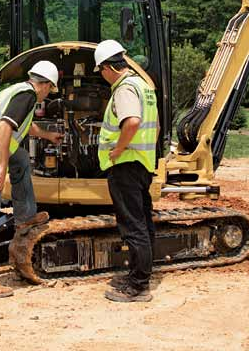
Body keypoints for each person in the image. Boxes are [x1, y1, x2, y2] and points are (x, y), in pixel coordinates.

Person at [0, 61, 62, 298]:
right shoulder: (27, 96)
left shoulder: (19, 91)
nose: (48, 94)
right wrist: (2, 166)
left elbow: (25, 126)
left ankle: (25, 216)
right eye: (50, 89)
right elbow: (5, 127)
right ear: (45, 85)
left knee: (21, 157)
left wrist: (47, 135)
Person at [94, 39, 158, 303]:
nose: (102, 76)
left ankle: (138, 286)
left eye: (101, 71)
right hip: (142, 163)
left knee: (132, 225)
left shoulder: (124, 89)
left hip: (126, 166)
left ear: (109, 67)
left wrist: (118, 150)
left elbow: (132, 122)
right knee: (143, 222)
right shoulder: (144, 86)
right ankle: (140, 273)